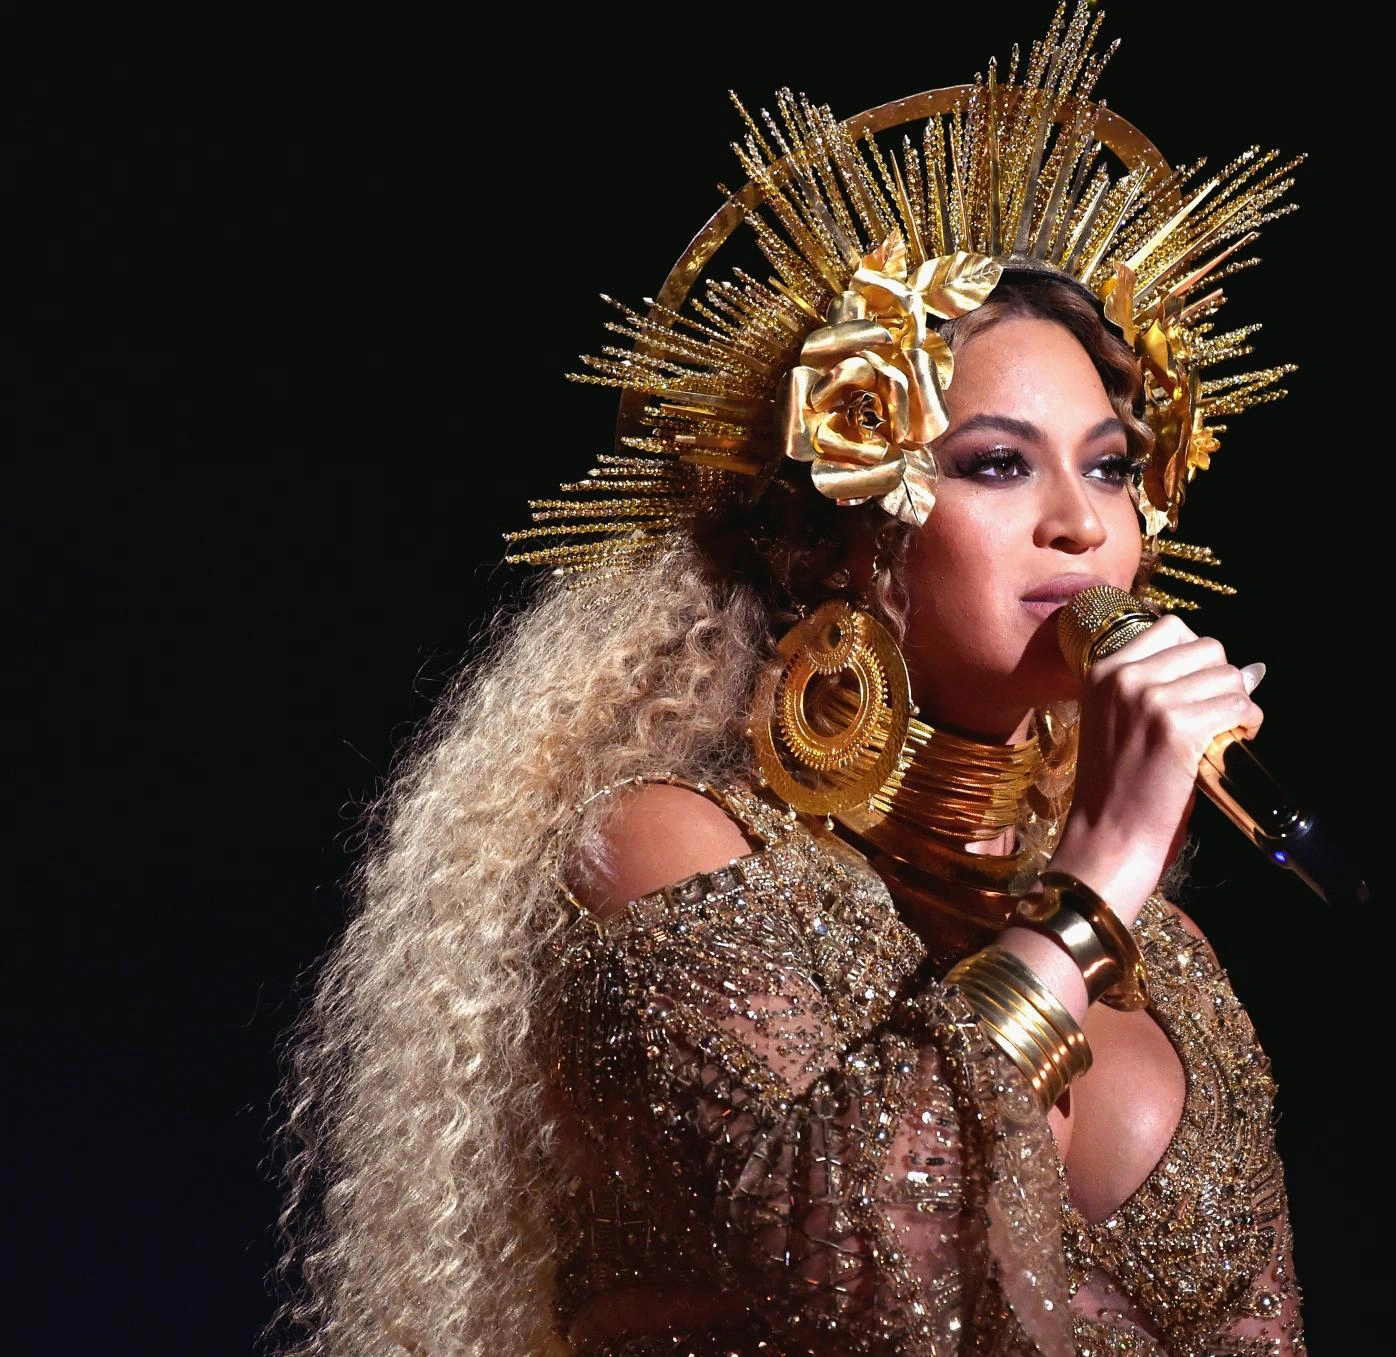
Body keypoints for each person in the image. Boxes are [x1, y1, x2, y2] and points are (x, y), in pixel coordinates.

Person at [269, 5, 1308, 1353]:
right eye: (997, 464)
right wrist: (1100, 875)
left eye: (1109, 467)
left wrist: (1105, 897)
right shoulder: (669, 852)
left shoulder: (1172, 970)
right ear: (842, 533)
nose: (1079, 523)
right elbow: (857, 1265)